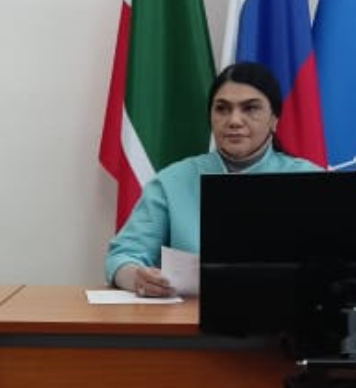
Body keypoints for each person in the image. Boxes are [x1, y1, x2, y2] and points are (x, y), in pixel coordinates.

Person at [105, 61, 319, 297]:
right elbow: (122, 256)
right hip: (191, 317)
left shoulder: (311, 181)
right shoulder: (172, 181)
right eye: (222, 109)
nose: (234, 120)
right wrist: (138, 278)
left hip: (286, 316)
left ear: (274, 119)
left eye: (250, 108)